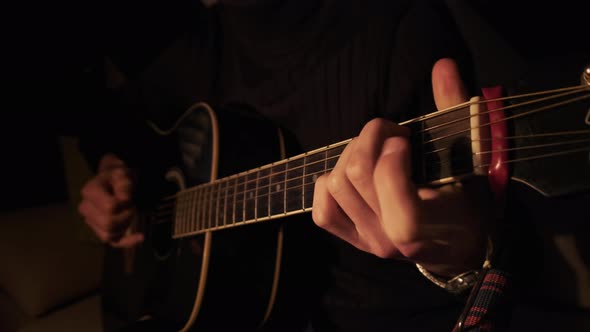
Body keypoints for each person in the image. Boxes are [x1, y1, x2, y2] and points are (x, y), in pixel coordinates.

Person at [78, 1, 500, 331]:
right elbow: (103, 124)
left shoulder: (400, 22)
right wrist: (108, 171)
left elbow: (494, 238)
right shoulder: (188, 55)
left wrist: (460, 258)